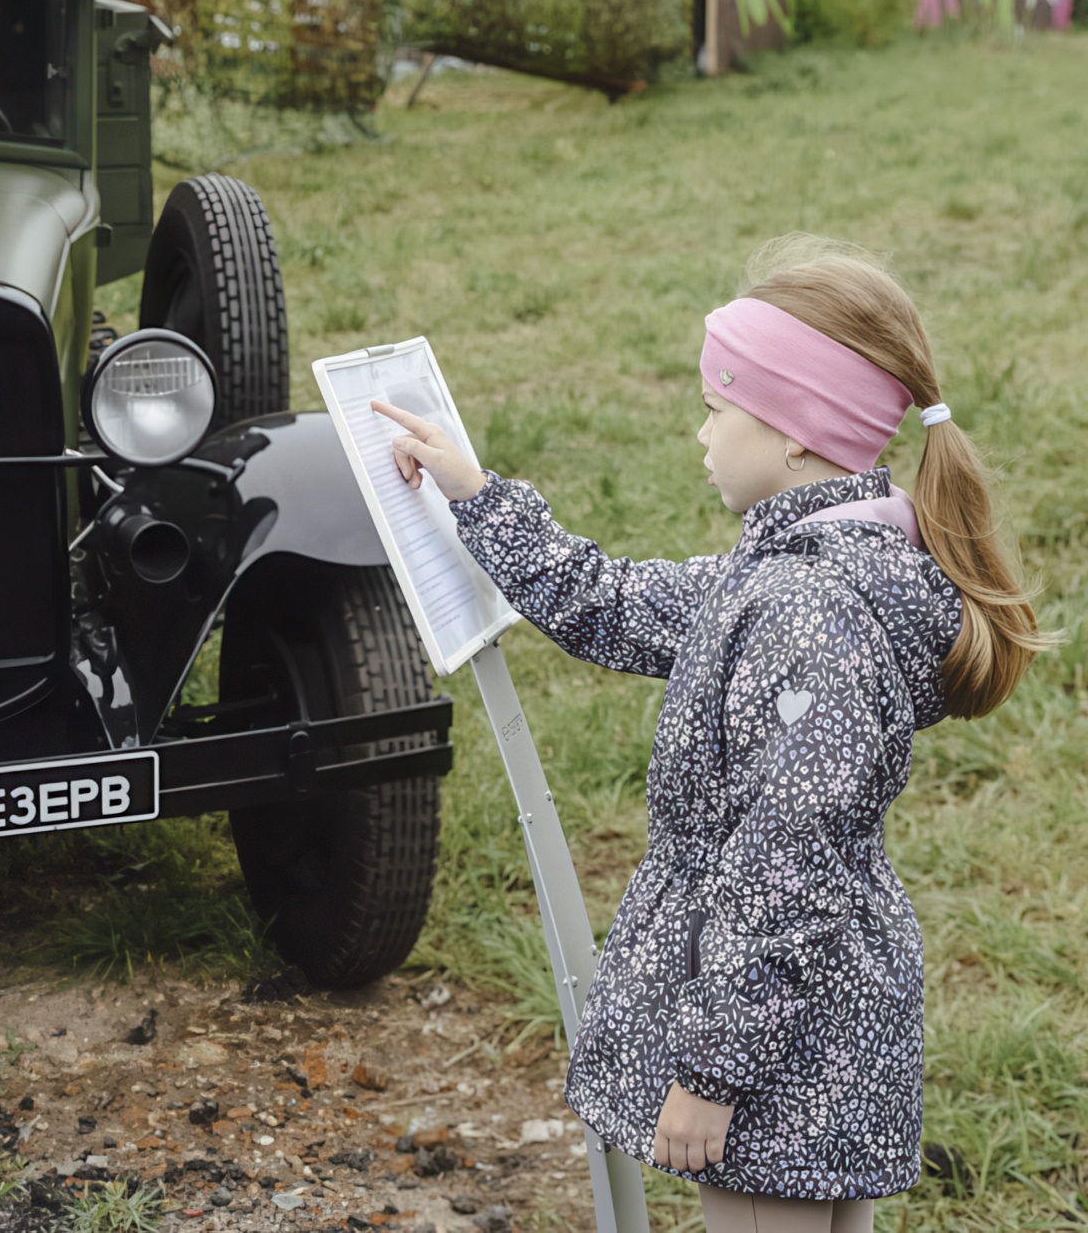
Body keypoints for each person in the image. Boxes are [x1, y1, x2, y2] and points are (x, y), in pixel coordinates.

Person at [373, 236, 1053, 1233]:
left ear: (795, 432)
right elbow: (611, 604)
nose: (700, 433)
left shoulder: (804, 612)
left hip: (783, 1044)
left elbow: (787, 866)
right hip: (818, 1011)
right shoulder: (795, 567)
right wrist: (477, 497)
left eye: (716, 407)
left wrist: (711, 1075)